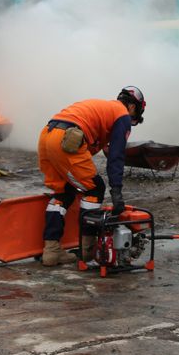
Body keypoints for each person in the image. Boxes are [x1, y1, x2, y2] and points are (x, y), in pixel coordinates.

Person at [38, 86, 146, 266]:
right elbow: (116, 156)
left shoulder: (105, 108)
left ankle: (51, 251)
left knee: (63, 192)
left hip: (47, 135)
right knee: (95, 188)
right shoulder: (122, 116)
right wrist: (116, 191)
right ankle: (87, 249)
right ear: (133, 107)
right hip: (68, 137)